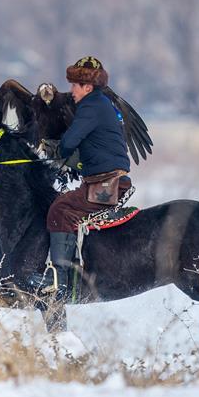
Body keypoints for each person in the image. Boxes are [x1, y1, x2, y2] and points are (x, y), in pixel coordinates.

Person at [38, 56, 133, 303]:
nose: (71, 91)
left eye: (74, 85)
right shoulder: (100, 104)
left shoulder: (91, 106)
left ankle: (58, 279)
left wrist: (51, 149)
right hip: (105, 178)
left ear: (87, 87)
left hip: (106, 184)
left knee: (60, 209)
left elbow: (70, 142)